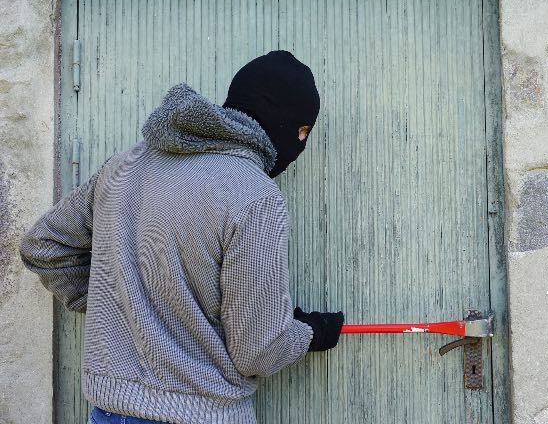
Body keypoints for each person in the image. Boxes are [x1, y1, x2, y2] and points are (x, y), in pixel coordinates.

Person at [19, 50, 344, 424]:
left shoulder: (125, 166)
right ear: (282, 121)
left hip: (108, 413)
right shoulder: (255, 195)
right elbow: (258, 351)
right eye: (302, 131)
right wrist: (310, 333)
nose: (299, 143)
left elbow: (43, 246)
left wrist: (121, 301)